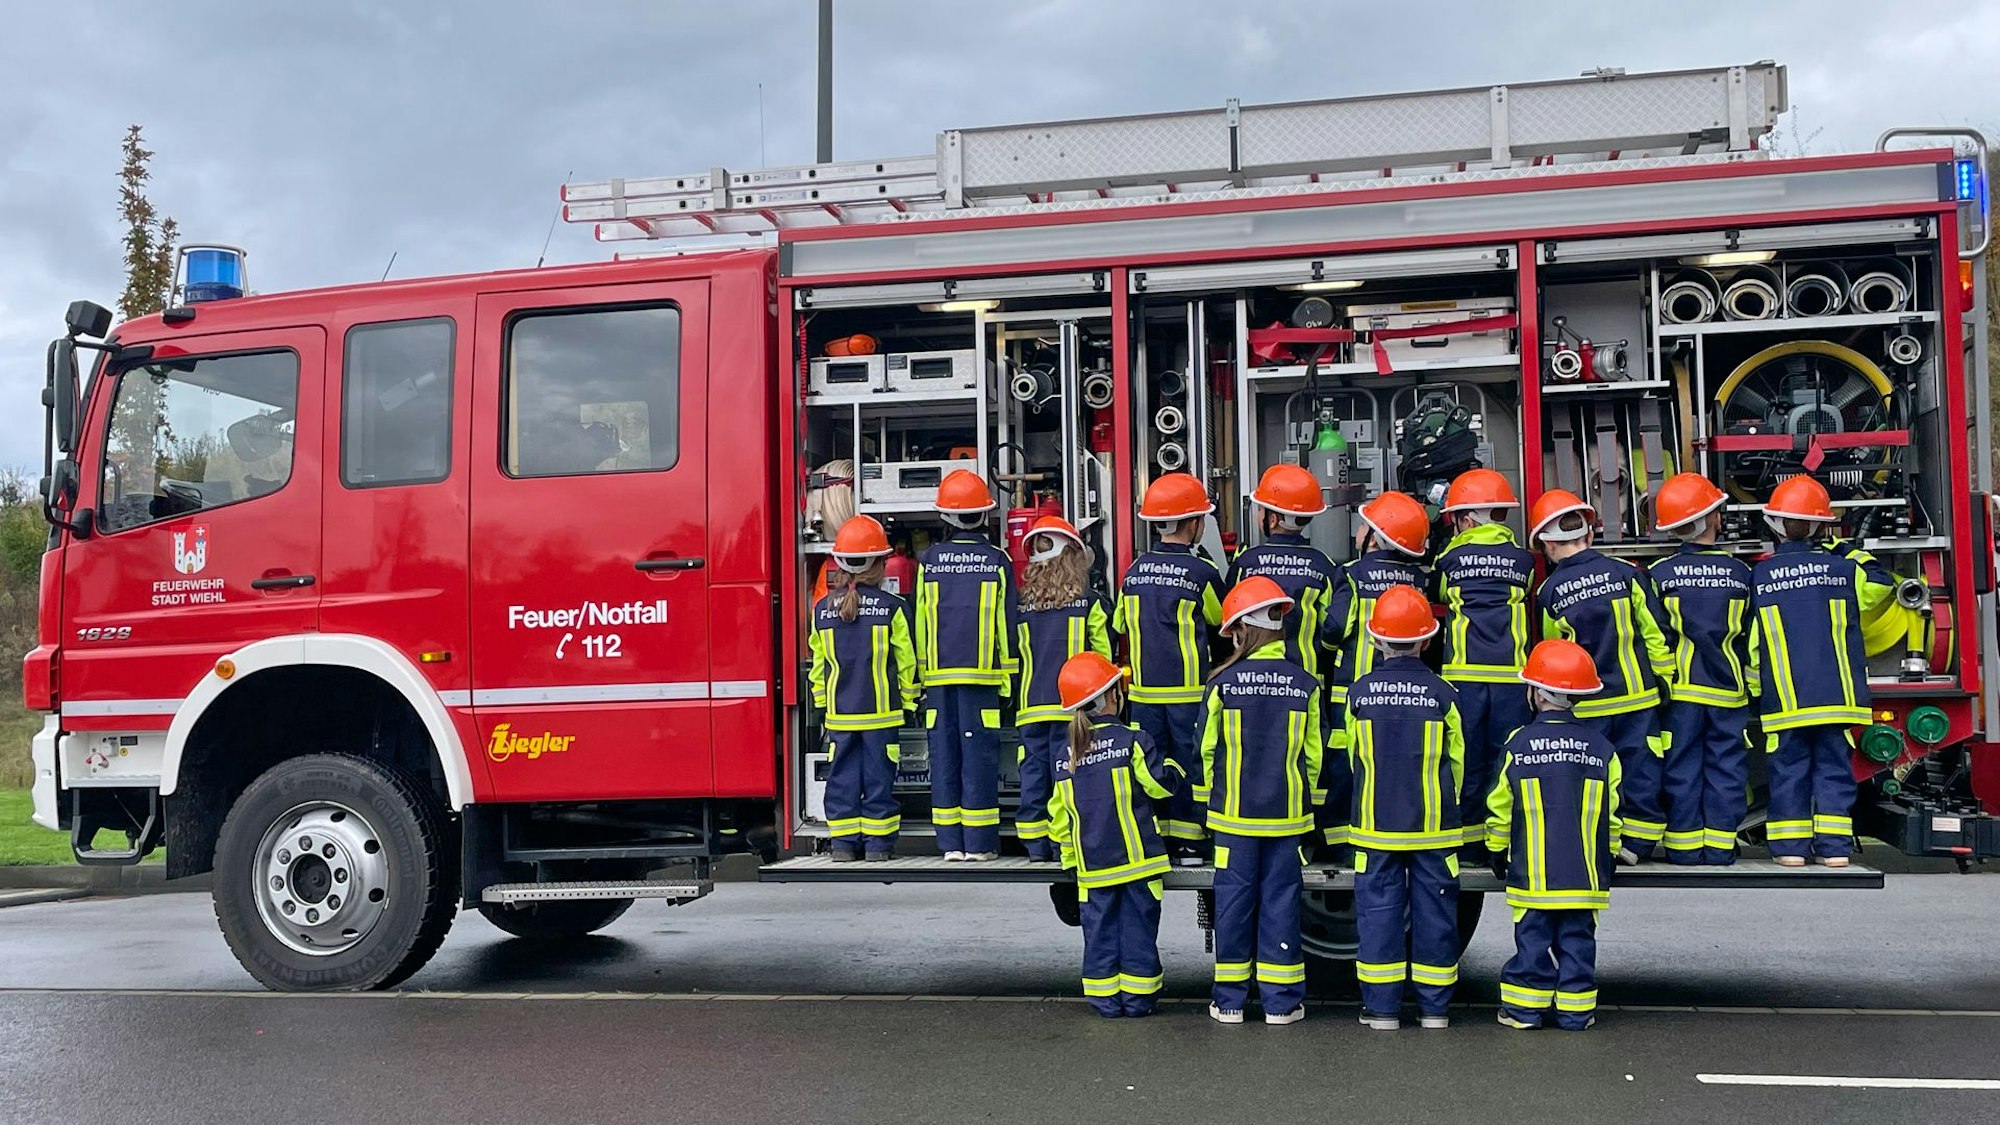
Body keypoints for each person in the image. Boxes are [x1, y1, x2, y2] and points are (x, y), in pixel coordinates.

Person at [1198, 576, 1322, 1026]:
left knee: (1233, 905)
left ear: (1243, 629)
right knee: (1281, 905)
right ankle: (1281, 1003)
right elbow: (1313, 759)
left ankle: (1229, 1001)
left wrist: (1204, 811)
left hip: (1234, 819)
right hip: (1287, 820)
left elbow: (1205, 753)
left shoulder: (1222, 684)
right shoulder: (1305, 685)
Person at [1748, 474, 1888, 868]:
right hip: (1835, 697)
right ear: (1821, 525)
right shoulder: (1845, 570)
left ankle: (1790, 849)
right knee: (1833, 769)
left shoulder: (1760, 577)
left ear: (1775, 524)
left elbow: (1755, 644)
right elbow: (1880, 584)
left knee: (1788, 770)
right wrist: (1846, 550)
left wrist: (1758, 686)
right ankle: (1835, 850)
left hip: (1787, 700)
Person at [1343, 584, 1465, 1031]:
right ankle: (1434, 1010)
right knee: (1435, 913)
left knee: (1378, 915)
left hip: (1375, 826)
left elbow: (1353, 757)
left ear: (1375, 640)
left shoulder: (1359, 695)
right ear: (1427, 639)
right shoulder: (1445, 695)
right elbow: (1459, 764)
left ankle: (1382, 1011)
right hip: (1434, 827)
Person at [1485, 638, 1623, 1031]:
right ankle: (1576, 1013)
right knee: (1578, 945)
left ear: (1535, 693)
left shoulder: (1518, 745)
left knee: (1532, 943)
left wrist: (1496, 850)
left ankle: (1523, 1012)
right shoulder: (1602, 749)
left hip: (1533, 876)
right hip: (1585, 876)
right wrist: (1609, 855)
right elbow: (1612, 814)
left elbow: (1499, 805)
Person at [1528, 488, 1673, 863]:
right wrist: (1664, 681)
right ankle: (1638, 843)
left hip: (1587, 704)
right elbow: (1656, 633)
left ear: (1546, 545)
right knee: (1641, 768)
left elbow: (1552, 652)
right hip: (1639, 697)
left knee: (1592, 774)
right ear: (1589, 534)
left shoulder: (1549, 593)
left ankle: (1596, 841)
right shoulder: (1628, 574)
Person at [1047, 650, 1179, 1018]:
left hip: (1093, 869)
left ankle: (1106, 1002)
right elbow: (1158, 787)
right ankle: (1138, 1002)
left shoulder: (1064, 755)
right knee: (1138, 932)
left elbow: (1058, 818)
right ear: (1111, 698)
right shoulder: (1132, 740)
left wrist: (1072, 862)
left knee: (1100, 935)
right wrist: (1173, 767)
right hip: (1138, 863)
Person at [1227, 463, 1346, 851]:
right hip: (1306, 683)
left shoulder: (1245, 564)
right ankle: (1310, 835)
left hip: (1249, 685)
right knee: (1308, 758)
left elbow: (1226, 618)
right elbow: (1333, 629)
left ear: (1272, 516)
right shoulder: (1325, 567)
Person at [1114, 472, 1226, 862]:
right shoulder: (1201, 573)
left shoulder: (1133, 573)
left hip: (1144, 695)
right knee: (1193, 765)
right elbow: (1221, 621)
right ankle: (1192, 841)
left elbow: (1119, 626)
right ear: (1194, 524)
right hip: (1189, 693)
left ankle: (1155, 839)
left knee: (1150, 766)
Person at [1647, 474, 1754, 866]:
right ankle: (1721, 847)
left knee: (1681, 767)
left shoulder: (1659, 575)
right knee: (1728, 768)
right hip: (1729, 691)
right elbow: (1751, 636)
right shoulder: (1742, 574)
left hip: (1681, 694)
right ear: (1713, 519)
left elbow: (1654, 636)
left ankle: (1684, 848)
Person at [915, 470, 1018, 862]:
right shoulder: (997, 561)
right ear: (984, 515)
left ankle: (950, 844)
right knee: (979, 758)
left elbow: (922, 619)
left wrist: (923, 676)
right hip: (983, 679)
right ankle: (979, 844)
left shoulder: (930, 561)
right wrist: (1008, 677)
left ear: (945, 517)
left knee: (943, 756)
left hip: (939, 680)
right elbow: (1007, 624)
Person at [1430, 468, 1537, 849]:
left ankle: (1471, 842)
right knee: (1505, 759)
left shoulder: (1450, 558)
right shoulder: (1523, 561)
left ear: (1467, 517)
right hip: (1512, 677)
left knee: (1467, 760)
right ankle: (1505, 841)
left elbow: (1440, 594)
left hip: (1465, 676)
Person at [1326, 490, 1432, 857]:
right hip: (1406, 692)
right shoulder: (1417, 580)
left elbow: (1334, 630)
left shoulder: (1352, 575)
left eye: (1364, 526)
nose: (1358, 532)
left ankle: (1342, 848)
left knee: (1346, 769)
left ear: (1376, 536)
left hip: (1353, 693)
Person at [807, 516, 919, 862]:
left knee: (842, 778)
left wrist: (825, 705)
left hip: (841, 716)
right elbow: (907, 663)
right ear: (880, 564)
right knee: (878, 780)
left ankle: (842, 846)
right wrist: (911, 700)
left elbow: (818, 665)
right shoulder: (893, 609)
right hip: (881, 715)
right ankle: (878, 847)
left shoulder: (822, 611)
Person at [1013, 516, 1113, 862]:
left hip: (1031, 706)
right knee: (1069, 775)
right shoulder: (1089, 602)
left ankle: (1036, 845)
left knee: (1034, 773)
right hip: (1074, 706)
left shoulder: (1021, 605)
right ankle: (1064, 843)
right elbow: (1103, 657)